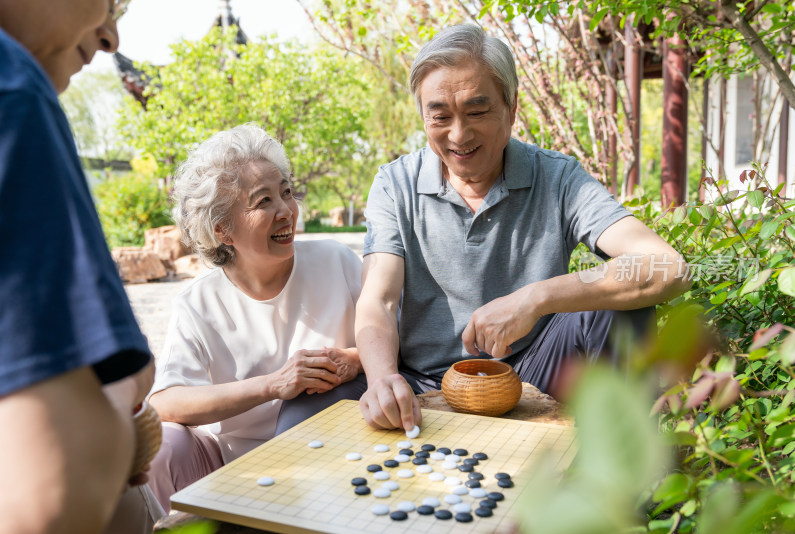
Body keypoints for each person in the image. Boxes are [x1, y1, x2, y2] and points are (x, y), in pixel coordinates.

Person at [353, 24, 690, 431]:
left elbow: (667, 267)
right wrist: (381, 378)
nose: (459, 135)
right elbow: (380, 301)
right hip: (424, 380)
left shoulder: (559, 177)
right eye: (440, 115)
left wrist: (535, 298)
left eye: (477, 111)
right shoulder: (394, 184)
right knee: (314, 397)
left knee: (617, 307)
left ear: (511, 110)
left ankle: (622, 472)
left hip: (537, 368)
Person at [0, 1, 163, 533]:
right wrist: (122, 403)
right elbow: (51, 497)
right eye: (111, 1)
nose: (111, 36)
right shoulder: (14, 87)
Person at [147, 124, 363, 511]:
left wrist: (354, 358)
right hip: (234, 467)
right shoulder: (199, 304)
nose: (287, 211)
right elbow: (166, 402)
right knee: (164, 444)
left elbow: (398, 340)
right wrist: (272, 385)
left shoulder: (338, 261)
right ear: (222, 231)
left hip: (335, 456)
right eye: (264, 201)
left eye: (286, 191)